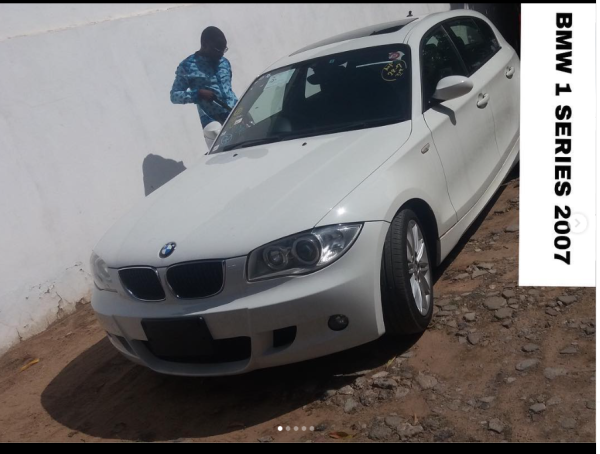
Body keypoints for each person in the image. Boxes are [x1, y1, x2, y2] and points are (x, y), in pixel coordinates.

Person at [170, 26, 238, 136]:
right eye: (217, 50)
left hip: (235, 112)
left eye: (224, 50)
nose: (221, 54)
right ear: (205, 44)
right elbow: (174, 96)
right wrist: (198, 94)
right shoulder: (187, 66)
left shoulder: (224, 62)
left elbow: (229, 89)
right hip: (213, 121)